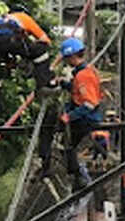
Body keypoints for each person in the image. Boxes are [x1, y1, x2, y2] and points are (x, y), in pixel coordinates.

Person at [0, 4, 54, 122]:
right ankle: (44, 83)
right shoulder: (23, 17)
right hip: (12, 40)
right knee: (41, 51)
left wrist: (9, 61)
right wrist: (30, 57)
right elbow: (45, 40)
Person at [38, 38, 101, 187]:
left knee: (53, 129)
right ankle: (74, 175)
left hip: (85, 117)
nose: (65, 61)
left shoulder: (83, 75)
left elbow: (89, 104)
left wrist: (70, 116)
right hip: (84, 114)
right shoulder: (84, 71)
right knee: (64, 141)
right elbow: (77, 90)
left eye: (66, 58)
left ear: (72, 57)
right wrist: (63, 83)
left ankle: (51, 166)